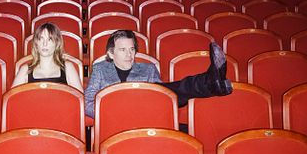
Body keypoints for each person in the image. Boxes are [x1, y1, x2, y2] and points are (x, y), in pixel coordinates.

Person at [84, 29, 232, 118]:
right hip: (116, 121)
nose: (129, 54)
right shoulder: (100, 69)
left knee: (169, 91)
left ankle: (211, 81)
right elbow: (88, 103)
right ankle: (211, 82)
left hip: (147, 115)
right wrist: (115, 111)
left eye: (132, 49)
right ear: (111, 53)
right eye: (123, 50)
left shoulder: (148, 69)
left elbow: (166, 98)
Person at [11, 22, 84, 92]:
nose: (44, 44)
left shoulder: (68, 67)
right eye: (41, 39)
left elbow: (79, 99)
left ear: (57, 43)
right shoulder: (25, 70)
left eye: (49, 39)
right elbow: (12, 99)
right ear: (36, 43)